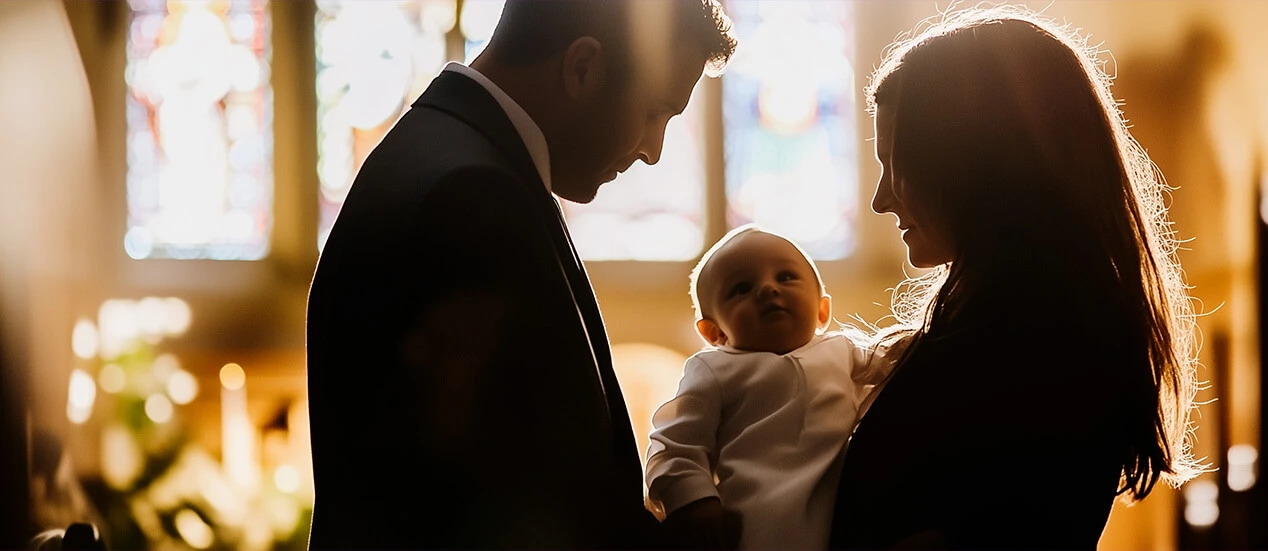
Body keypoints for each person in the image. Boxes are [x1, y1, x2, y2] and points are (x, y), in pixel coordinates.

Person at [304, 1, 737, 549]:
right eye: (656, 112)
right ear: (582, 68)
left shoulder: (440, 150)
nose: (653, 151)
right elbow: (516, 514)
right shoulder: (473, 198)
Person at [827, 5, 1206, 550]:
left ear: (974, 163)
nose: (881, 199)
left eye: (898, 164)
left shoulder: (1029, 356)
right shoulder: (1032, 331)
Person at [646, 225, 878, 551]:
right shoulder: (714, 369)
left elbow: (910, 356)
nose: (767, 289)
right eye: (741, 288)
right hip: (756, 521)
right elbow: (674, 447)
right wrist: (694, 501)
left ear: (822, 310)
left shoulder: (846, 350)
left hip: (846, 510)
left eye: (785, 277)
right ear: (714, 333)